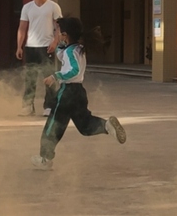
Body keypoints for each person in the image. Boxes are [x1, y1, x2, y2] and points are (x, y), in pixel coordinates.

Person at [31, 17, 127, 171]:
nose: (56, 34)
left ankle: (45, 158)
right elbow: (62, 54)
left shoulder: (70, 52)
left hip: (67, 92)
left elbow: (73, 70)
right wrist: (57, 44)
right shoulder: (78, 48)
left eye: (58, 32)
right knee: (85, 125)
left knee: (53, 125)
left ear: (65, 35)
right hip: (79, 92)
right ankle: (107, 126)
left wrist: (55, 76)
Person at [16, 0, 62, 117]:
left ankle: (49, 106)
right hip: (31, 47)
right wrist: (19, 46)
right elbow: (22, 28)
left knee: (49, 77)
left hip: (47, 46)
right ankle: (28, 106)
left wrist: (55, 42)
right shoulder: (27, 7)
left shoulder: (53, 6)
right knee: (30, 78)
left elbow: (59, 27)